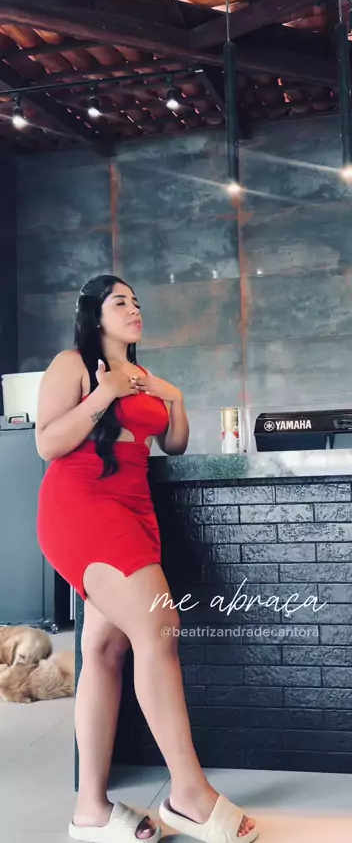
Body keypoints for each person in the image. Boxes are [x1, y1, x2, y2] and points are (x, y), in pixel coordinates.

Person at [36, 275, 258, 843]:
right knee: (160, 627)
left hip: (135, 511)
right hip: (82, 508)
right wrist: (106, 392)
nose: (134, 309)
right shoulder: (73, 364)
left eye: (136, 302)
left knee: (104, 650)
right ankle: (189, 795)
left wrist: (173, 397)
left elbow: (173, 444)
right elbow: (47, 443)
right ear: (94, 314)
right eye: (120, 302)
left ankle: (90, 811)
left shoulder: (142, 376)